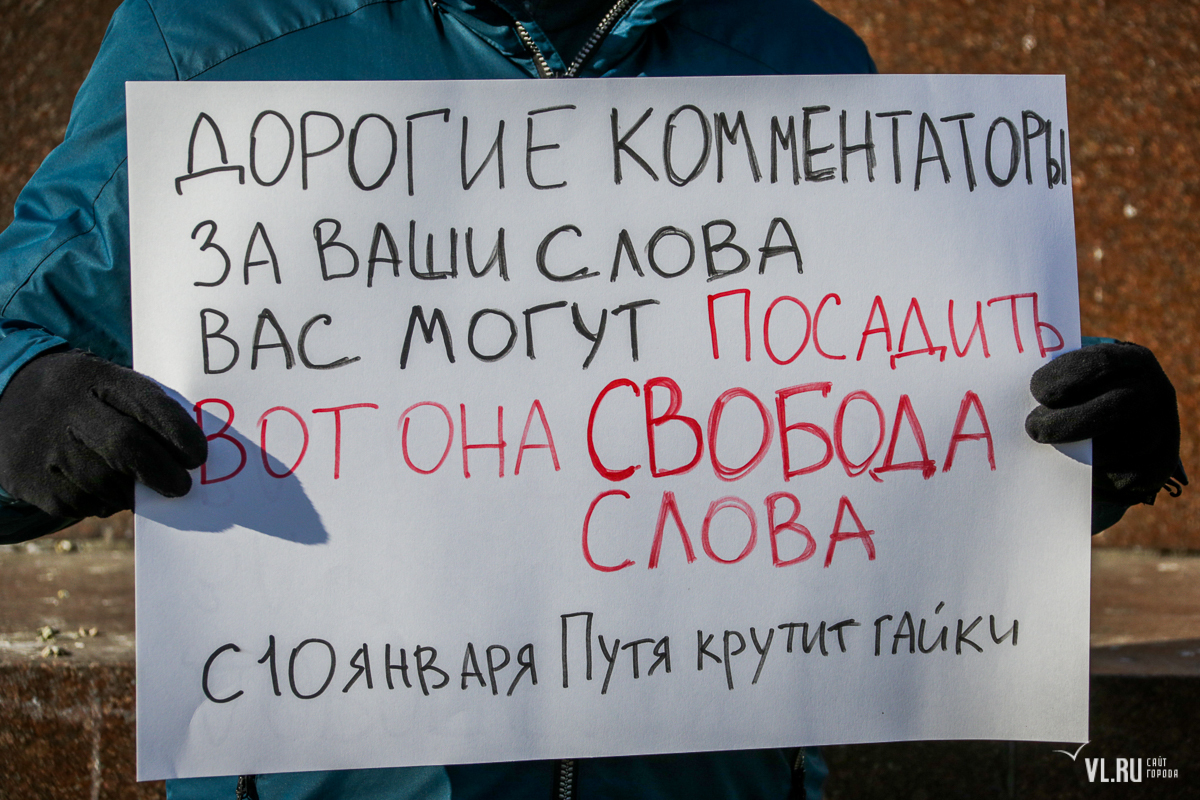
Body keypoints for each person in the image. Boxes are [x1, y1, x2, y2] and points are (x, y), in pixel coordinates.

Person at [0, 1, 1184, 797]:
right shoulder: (208, 39)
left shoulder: (795, 53)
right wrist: (25, 403)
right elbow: (24, 328)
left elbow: (874, 437)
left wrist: (1074, 457)